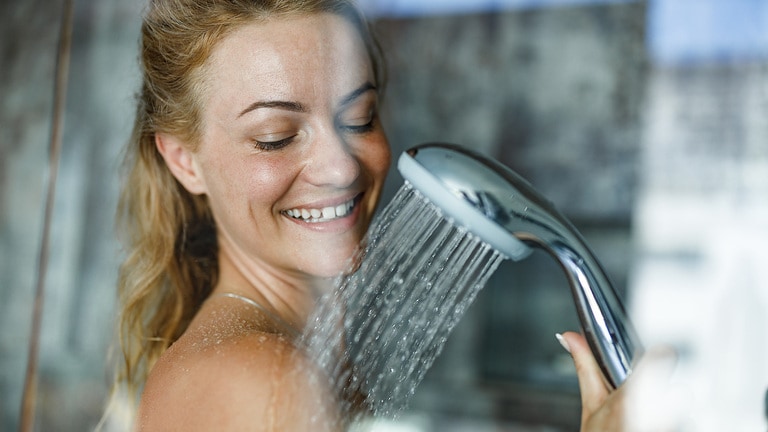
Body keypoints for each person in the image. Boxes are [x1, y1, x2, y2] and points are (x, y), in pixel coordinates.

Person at [104, 0, 673, 430]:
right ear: (185, 161)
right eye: (276, 138)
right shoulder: (263, 380)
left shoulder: (275, 359)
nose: (341, 167)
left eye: (359, 117)